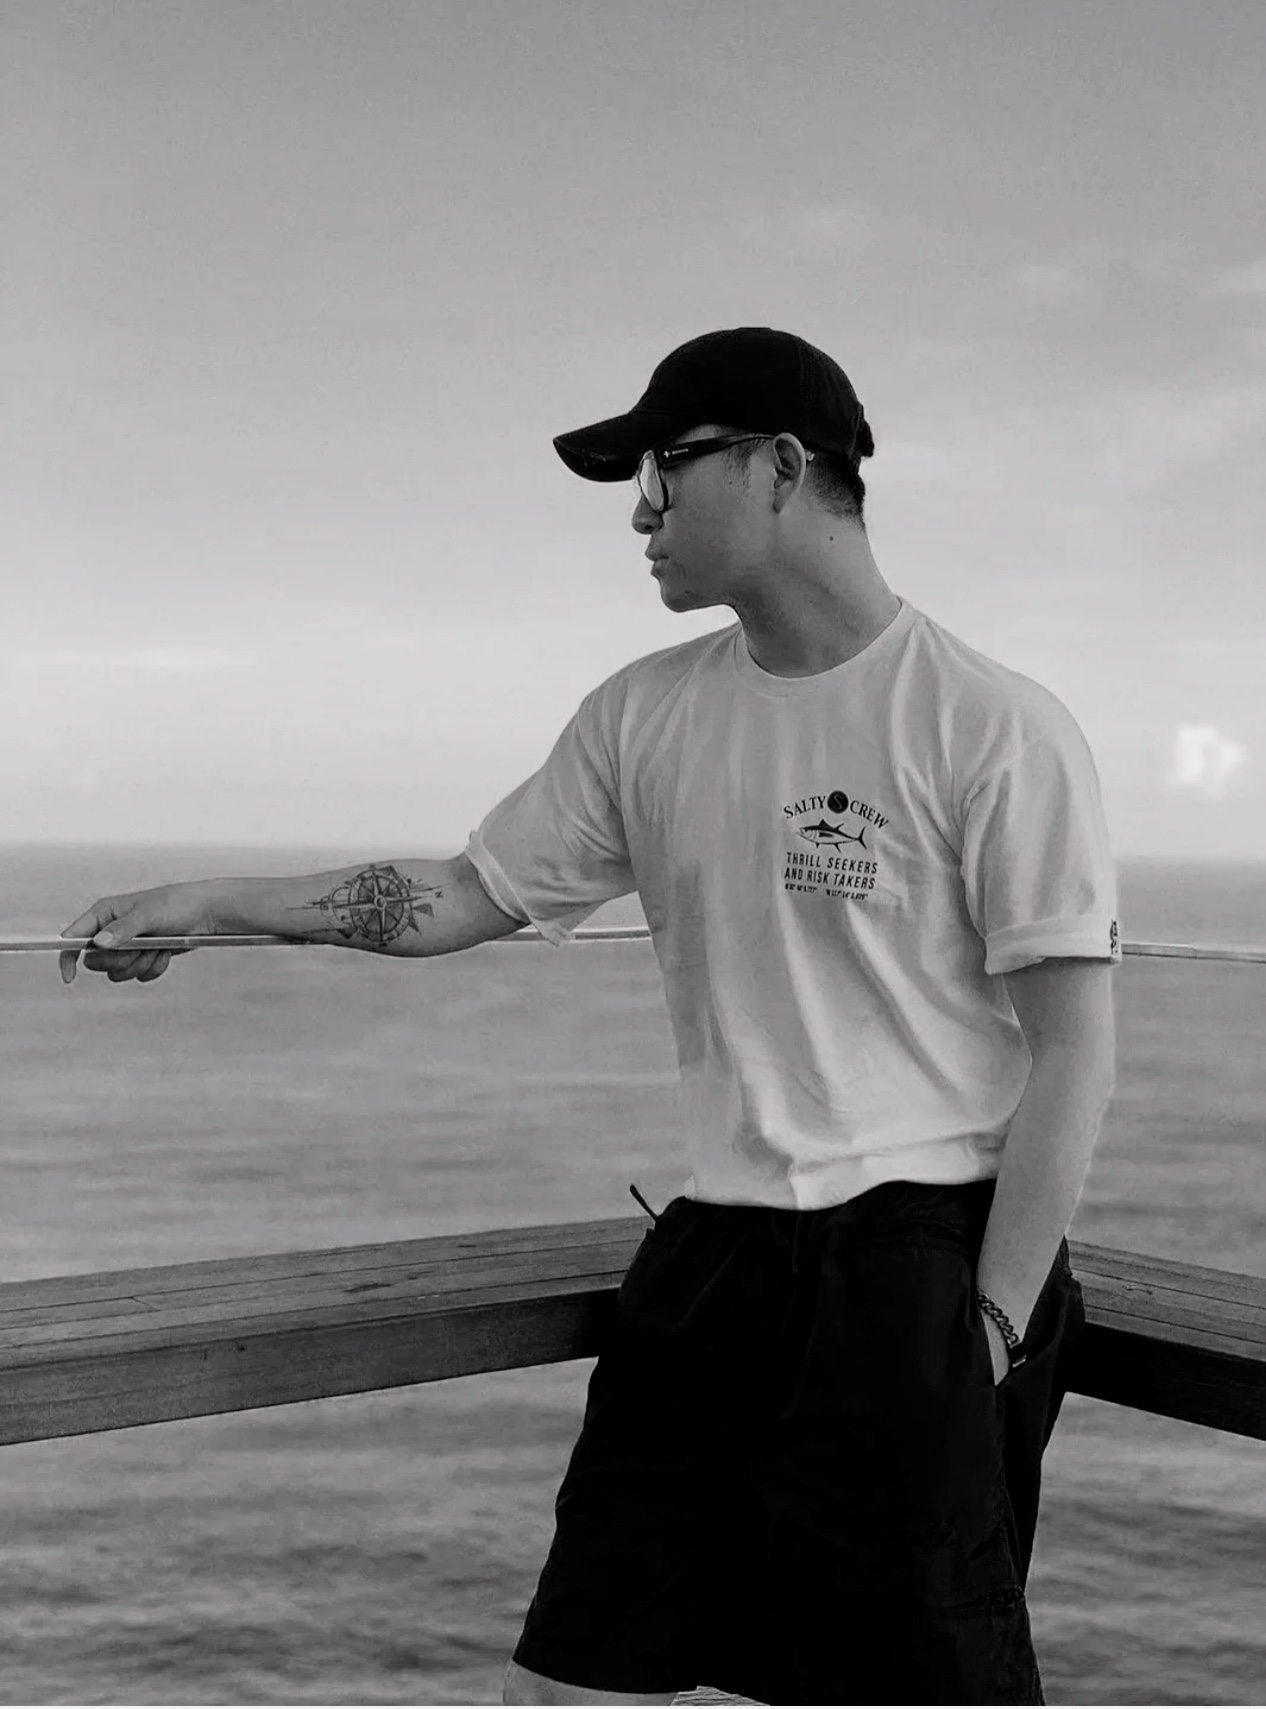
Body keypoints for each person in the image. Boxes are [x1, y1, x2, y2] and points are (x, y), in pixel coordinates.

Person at [61, 327, 1120, 1707]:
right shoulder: (644, 715)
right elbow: (456, 896)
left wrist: (986, 1326)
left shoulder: (989, 724)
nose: (639, 511)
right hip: (716, 1252)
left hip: (915, 1261)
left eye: (665, 467)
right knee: (575, 1679)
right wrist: (208, 905)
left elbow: (1073, 1052)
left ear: (781, 466)